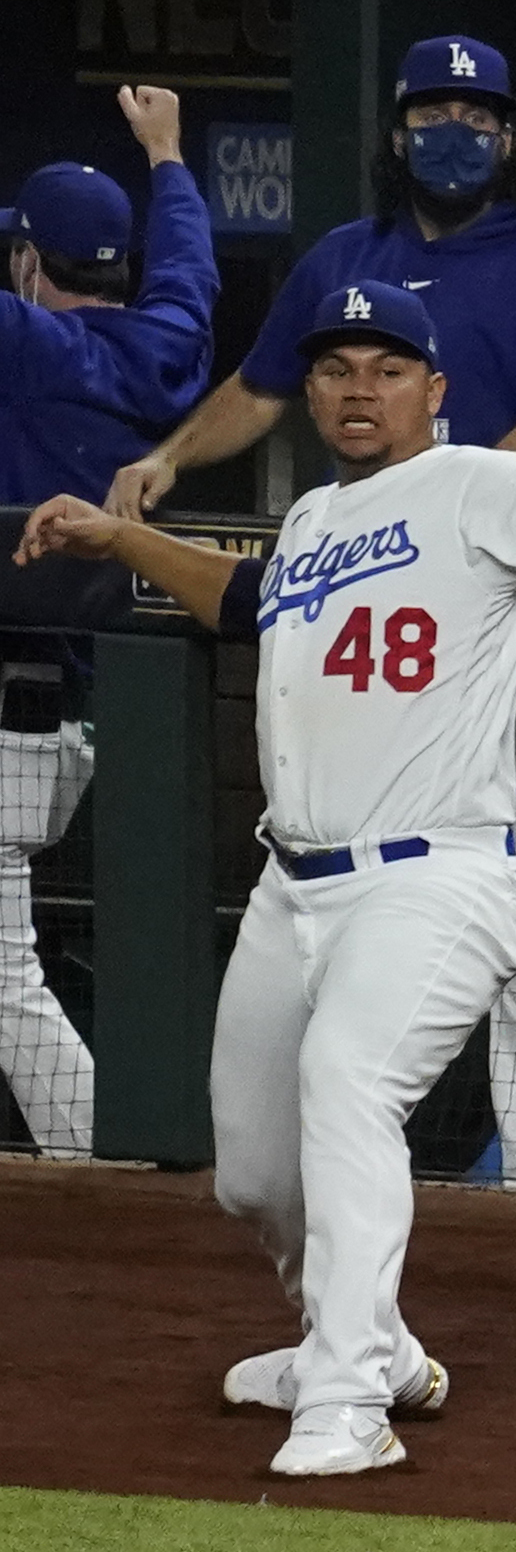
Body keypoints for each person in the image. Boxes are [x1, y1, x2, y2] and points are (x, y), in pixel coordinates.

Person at [17, 285, 516, 1477]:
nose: (361, 389)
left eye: (388, 367)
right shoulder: (309, 519)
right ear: (309, 392)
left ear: (436, 390)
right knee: (254, 1173)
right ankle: (363, 1343)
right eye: (338, 369)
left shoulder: (483, 486)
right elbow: (249, 604)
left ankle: (351, 1406)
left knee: (349, 1087)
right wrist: (125, 540)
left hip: (433, 878)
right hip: (293, 884)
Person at [110, 33, 516, 1191]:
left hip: (493, 624)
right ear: (397, 132)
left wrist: (440, 524)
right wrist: (167, 461)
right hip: (362, 632)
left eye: (478, 115)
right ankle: (331, 1139)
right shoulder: (352, 259)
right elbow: (257, 387)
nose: (456, 133)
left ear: (508, 134)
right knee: (337, 866)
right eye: (434, 112)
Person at [0, 90, 220, 1159]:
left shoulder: (25, 346)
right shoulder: (163, 344)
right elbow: (188, 276)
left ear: (29, 261)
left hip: (16, 717)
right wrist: (168, 158)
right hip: (86, 719)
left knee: (5, 987)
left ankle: (113, 1166)